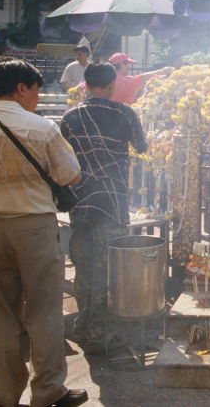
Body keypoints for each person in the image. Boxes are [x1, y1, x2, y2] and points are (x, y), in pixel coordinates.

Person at [0, 60, 87, 407]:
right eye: (36, 89)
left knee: (1, 312)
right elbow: (70, 175)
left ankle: (6, 392)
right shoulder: (41, 127)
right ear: (21, 87)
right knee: (43, 309)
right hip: (34, 227)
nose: (37, 97)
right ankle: (47, 391)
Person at [60, 63, 148, 355]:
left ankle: (84, 326)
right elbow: (142, 147)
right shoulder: (125, 113)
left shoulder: (70, 117)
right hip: (112, 202)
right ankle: (102, 334)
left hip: (81, 202)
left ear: (85, 84)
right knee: (108, 271)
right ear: (112, 85)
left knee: (84, 269)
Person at [108, 52, 173, 105]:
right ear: (122, 64)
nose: (129, 67)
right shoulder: (123, 81)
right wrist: (162, 71)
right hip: (120, 116)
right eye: (127, 64)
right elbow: (142, 78)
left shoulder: (108, 78)